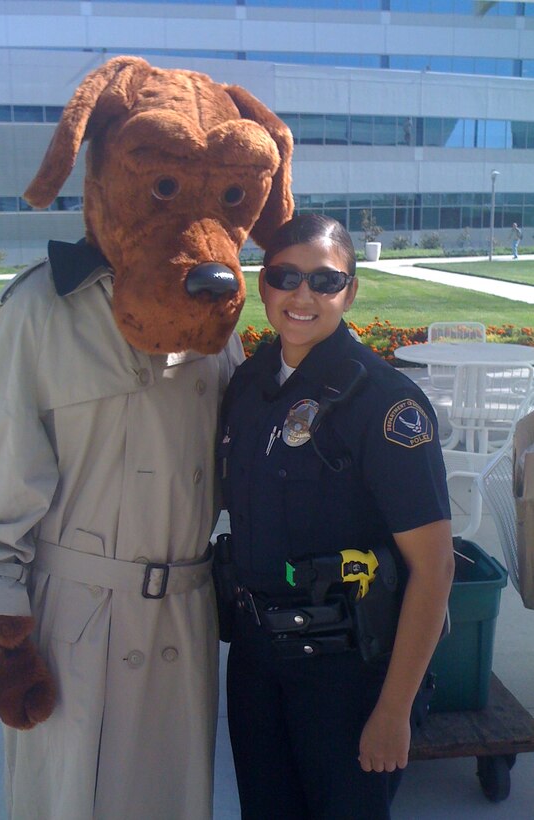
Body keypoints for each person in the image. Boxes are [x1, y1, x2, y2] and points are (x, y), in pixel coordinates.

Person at [217, 214, 455, 820]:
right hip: (255, 663)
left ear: (351, 291)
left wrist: (394, 710)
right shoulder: (247, 384)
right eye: (285, 276)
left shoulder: (384, 402)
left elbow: (434, 571)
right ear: (263, 283)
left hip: (348, 677)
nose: (303, 296)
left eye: (325, 281)